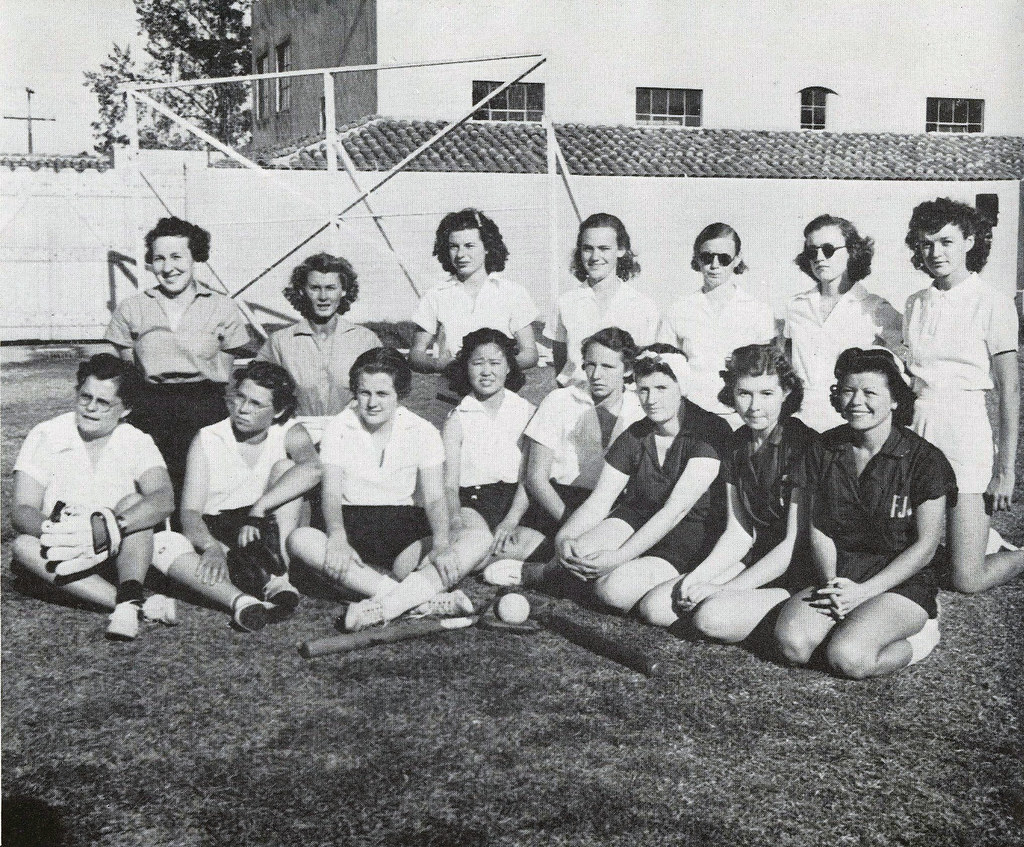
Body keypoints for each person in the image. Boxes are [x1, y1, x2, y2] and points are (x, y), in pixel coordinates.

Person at [774, 348, 955, 678]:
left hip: (902, 579)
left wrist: (865, 592)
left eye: (870, 392)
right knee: (793, 645)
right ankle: (854, 626)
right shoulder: (823, 449)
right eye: (848, 391)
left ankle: (922, 635)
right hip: (844, 573)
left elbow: (926, 547)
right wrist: (833, 585)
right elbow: (819, 529)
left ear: (896, 400)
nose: (857, 401)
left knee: (850, 658)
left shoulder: (925, 460)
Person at [635, 342, 815, 643]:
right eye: (744, 393)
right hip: (756, 559)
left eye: (766, 394)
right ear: (732, 393)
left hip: (797, 569)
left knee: (710, 617)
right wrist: (698, 578)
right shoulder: (736, 444)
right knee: (656, 608)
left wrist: (725, 589)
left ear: (786, 393)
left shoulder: (804, 446)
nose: (754, 406)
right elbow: (739, 533)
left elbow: (792, 546)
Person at [287, 347, 471, 631]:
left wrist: (442, 544)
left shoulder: (423, 431)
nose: (372, 403)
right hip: (350, 526)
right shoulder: (339, 427)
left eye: (382, 394)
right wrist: (336, 536)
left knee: (475, 539)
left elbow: (435, 498)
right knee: (301, 539)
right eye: (364, 393)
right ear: (355, 392)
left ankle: (387, 604)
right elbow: (332, 494)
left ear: (400, 395)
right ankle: (416, 600)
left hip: (403, 530)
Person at [546, 345, 732, 614]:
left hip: (689, 531)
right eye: (644, 389)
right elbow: (601, 499)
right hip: (639, 517)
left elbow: (675, 510)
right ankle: (547, 574)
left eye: (662, 389)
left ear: (682, 388)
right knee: (578, 554)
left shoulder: (709, 430)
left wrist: (619, 557)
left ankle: (629, 578)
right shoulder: (636, 434)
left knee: (612, 591)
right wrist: (565, 538)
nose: (651, 399)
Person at [903, 197, 1024, 592]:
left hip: (966, 430)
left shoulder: (992, 301)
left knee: (966, 579)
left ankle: (1012, 552)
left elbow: (1009, 389)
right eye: (926, 244)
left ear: (970, 241)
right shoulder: (914, 303)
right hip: (919, 428)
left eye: (946, 241)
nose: (935, 253)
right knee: (905, 553)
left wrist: (1004, 471)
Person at [11, 354, 176, 640]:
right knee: (24, 546)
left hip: (121, 553)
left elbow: (164, 498)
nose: (90, 408)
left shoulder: (135, 439)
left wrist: (110, 528)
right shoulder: (46, 434)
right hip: (64, 548)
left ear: (125, 409)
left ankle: (128, 593)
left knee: (134, 503)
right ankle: (132, 602)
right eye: (85, 397)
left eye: (103, 403)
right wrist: (65, 533)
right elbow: (23, 508)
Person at [483, 326, 645, 585]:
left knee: (603, 558)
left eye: (608, 367)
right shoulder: (560, 400)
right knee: (493, 553)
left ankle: (549, 569)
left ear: (627, 370)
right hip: (557, 503)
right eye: (590, 365)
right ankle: (552, 564)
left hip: (609, 506)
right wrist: (573, 525)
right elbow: (536, 478)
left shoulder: (640, 409)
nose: (597, 375)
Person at [105, 216, 253, 499]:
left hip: (206, 409)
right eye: (159, 258)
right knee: (153, 490)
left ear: (195, 256)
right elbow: (129, 371)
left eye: (177, 256)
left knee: (205, 491)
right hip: (150, 409)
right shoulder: (132, 308)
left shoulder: (222, 307)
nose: (168, 267)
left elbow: (226, 369)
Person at [174, 361, 321, 628]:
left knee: (288, 468)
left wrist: (258, 509)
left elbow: (313, 469)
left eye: (256, 404)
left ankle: (279, 577)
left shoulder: (289, 431)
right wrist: (210, 547)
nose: (242, 409)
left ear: (279, 411)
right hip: (222, 527)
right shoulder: (209, 438)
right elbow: (190, 511)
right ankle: (257, 588)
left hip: (267, 525)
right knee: (169, 546)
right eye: (240, 397)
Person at [784, 214, 902, 432]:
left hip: (851, 423)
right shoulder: (796, 306)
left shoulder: (875, 307)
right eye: (812, 251)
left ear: (852, 252)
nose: (819, 257)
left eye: (828, 249)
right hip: (800, 422)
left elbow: (904, 364)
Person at [658, 223, 775, 427]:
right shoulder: (677, 310)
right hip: (691, 416)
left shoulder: (758, 311)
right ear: (697, 258)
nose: (714, 265)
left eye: (724, 258)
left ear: (737, 259)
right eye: (707, 257)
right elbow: (664, 370)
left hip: (742, 417)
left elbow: (766, 373)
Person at [257, 252, 380, 439]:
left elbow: (383, 394)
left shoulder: (366, 340)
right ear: (302, 291)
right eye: (315, 288)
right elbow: (258, 395)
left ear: (344, 291)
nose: (323, 296)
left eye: (331, 288)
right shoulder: (279, 342)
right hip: (296, 436)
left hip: (354, 435)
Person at [409, 208, 539, 373]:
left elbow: (530, 352)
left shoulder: (513, 293)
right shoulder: (436, 295)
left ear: (487, 247)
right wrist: (441, 365)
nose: (461, 254)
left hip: (499, 393)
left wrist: (497, 367)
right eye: (454, 247)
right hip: (450, 394)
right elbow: (415, 354)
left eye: (469, 246)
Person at [545, 214, 658, 386]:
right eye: (588, 248)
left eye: (604, 248)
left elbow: (646, 365)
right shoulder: (565, 302)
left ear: (621, 250)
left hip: (625, 403)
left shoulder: (643, 305)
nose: (595, 257)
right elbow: (561, 364)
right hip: (576, 398)